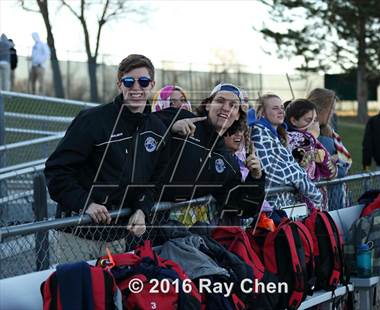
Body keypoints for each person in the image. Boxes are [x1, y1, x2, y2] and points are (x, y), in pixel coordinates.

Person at [44, 54, 170, 260]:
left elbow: (155, 182)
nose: (136, 87)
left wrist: (142, 210)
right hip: (78, 236)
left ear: (152, 84)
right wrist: (86, 204)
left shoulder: (157, 129)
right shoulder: (92, 120)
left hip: (118, 239)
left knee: (112, 292)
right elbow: (56, 171)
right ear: (120, 84)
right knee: (78, 292)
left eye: (144, 81)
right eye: (129, 81)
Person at [153, 83, 265, 227]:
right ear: (207, 105)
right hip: (145, 221)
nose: (226, 108)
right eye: (220, 101)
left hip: (184, 234)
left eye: (233, 105)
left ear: (237, 116)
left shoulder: (228, 161)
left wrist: (256, 178)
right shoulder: (181, 117)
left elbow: (242, 208)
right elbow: (140, 126)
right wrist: (169, 128)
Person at [251, 93, 322, 212]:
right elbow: (275, 173)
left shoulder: (276, 136)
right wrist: (313, 192)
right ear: (262, 112)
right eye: (275, 108)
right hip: (273, 210)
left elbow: (293, 168)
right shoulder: (259, 134)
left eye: (282, 108)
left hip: (288, 207)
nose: (280, 111)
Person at [285, 98, 337, 210]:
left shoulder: (311, 139)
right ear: (293, 121)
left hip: (315, 200)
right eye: (308, 120)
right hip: (302, 202)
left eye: (314, 120)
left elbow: (329, 170)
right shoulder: (295, 139)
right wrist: (312, 137)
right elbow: (305, 170)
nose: (312, 124)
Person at [307, 88, 352, 209]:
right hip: (323, 199)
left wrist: (338, 162)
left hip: (337, 194)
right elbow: (333, 170)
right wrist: (335, 162)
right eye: (331, 109)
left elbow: (345, 164)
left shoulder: (330, 133)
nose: (333, 112)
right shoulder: (313, 138)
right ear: (321, 109)